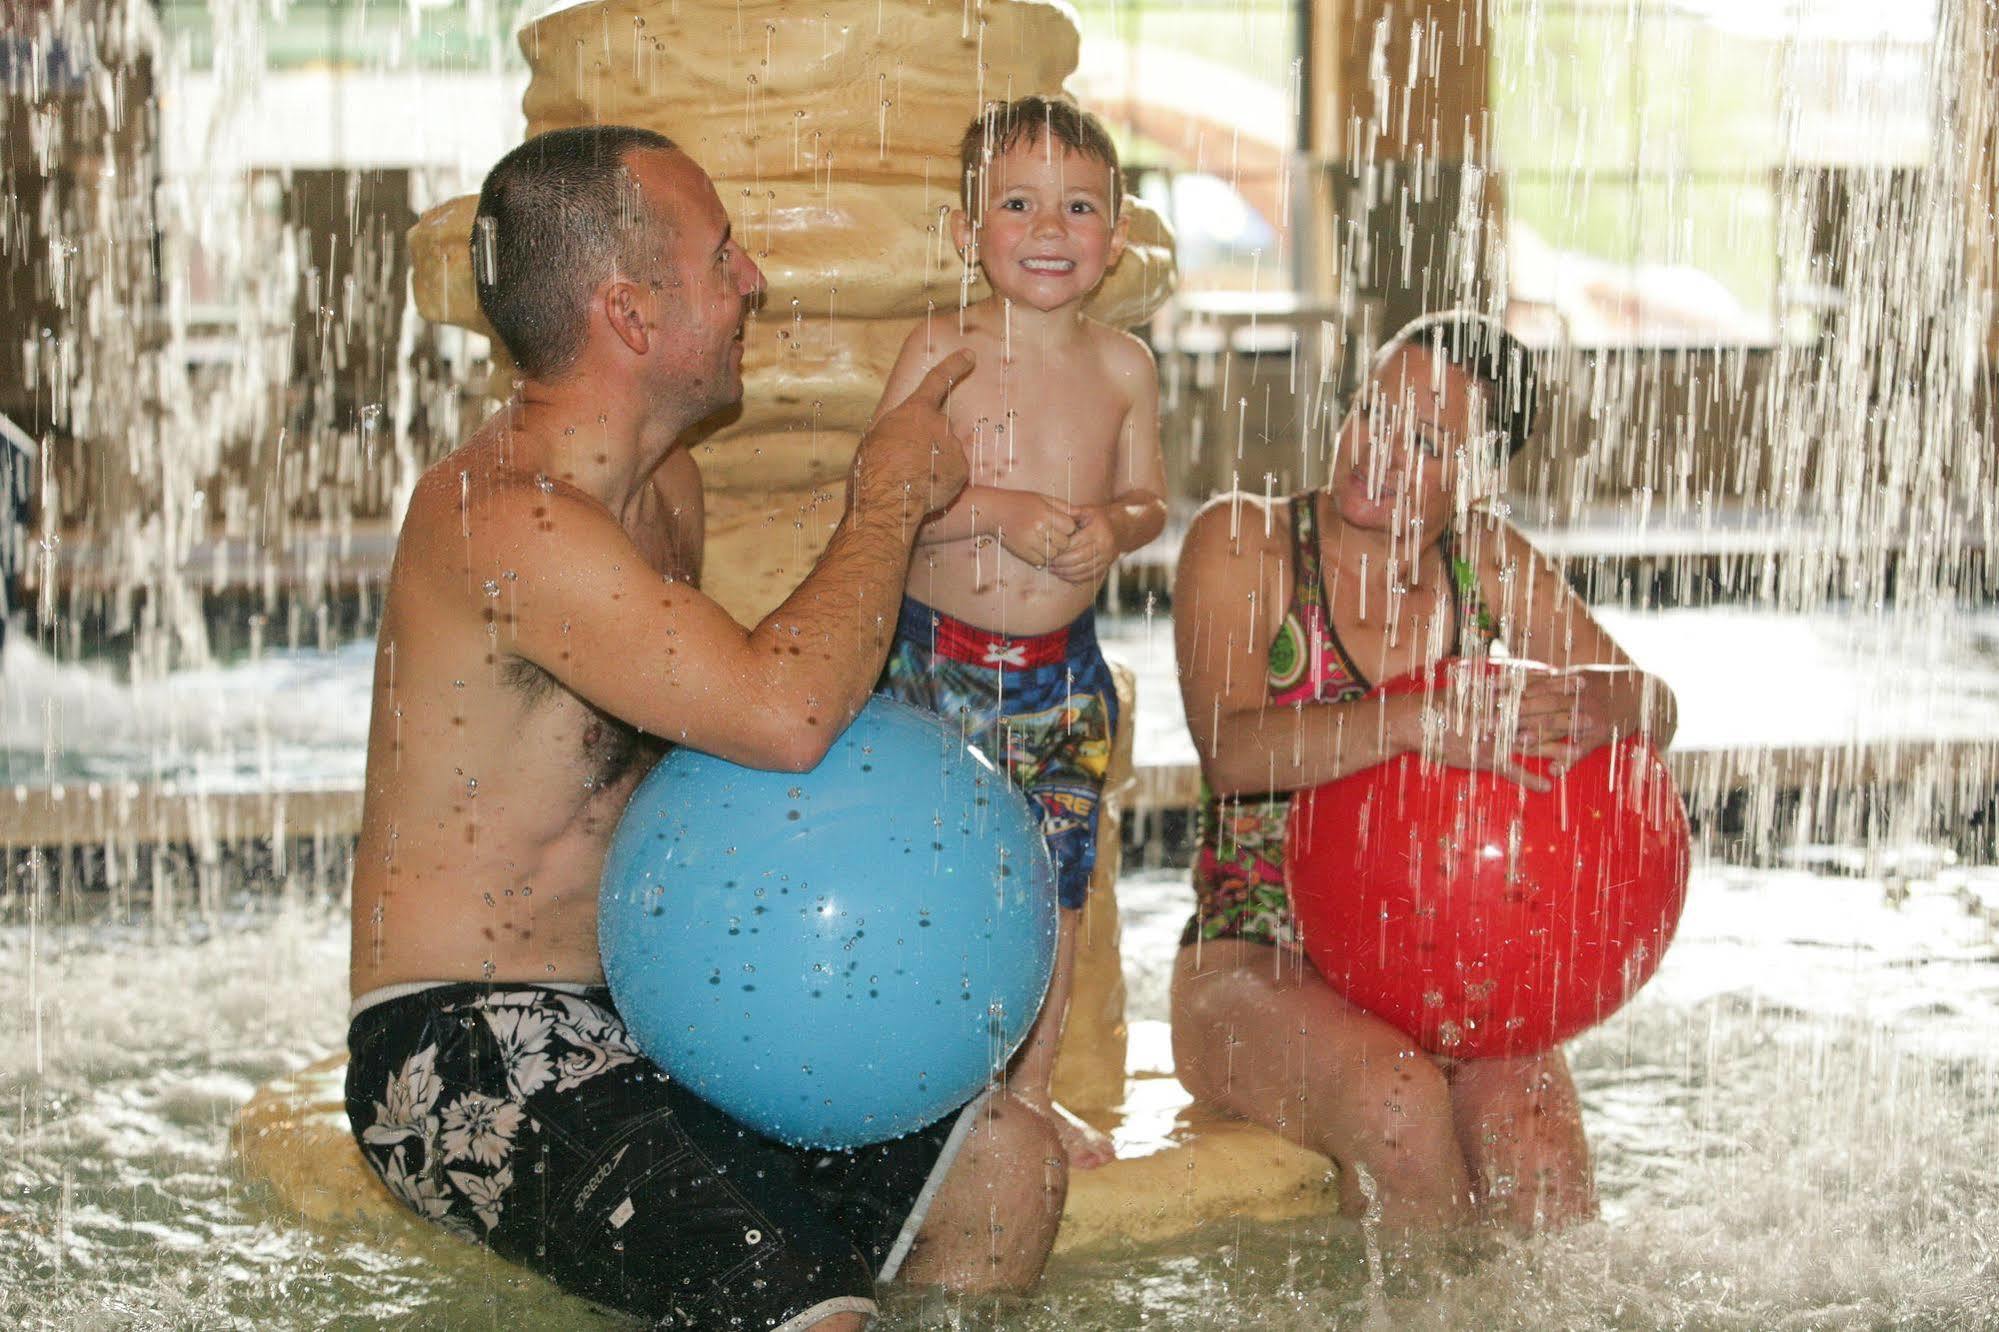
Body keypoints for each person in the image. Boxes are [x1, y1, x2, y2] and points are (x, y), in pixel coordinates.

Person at [345, 126, 1068, 1332]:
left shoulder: (665, 486)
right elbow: (781, 717)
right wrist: (886, 495)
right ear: (629, 314)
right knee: (807, 1309)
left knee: (1003, 1166)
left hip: (659, 1008)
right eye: (721, 253)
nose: (753, 281)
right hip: (460, 1032)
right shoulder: (503, 521)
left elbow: (738, 716)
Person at [1169, 312, 1678, 1231]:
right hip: (1253, 959)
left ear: (1479, 475)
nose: (1377, 452)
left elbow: (1655, 705)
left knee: (1538, 1137)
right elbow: (1232, 753)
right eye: (1371, 412)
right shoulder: (1248, 544)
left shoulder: (1485, 563)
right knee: (1397, 1101)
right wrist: (1411, 722)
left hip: (1446, 975)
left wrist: (1608, 702)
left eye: (1426, 443)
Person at [868, 95, 1168, 1170]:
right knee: (929, 879)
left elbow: (1149, 501)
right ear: (966, 233)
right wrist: (992, 508)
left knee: (1057, 888)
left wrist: (1110, 526)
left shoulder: (1123, 366)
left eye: (1080, 207)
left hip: (1060, 677)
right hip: (933, 663)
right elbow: (882, 496)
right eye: (1019, 204)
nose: (1051, 230)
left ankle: (1030, 1098)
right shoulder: (940, 351)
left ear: (1117, 237)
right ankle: (920, 1095)